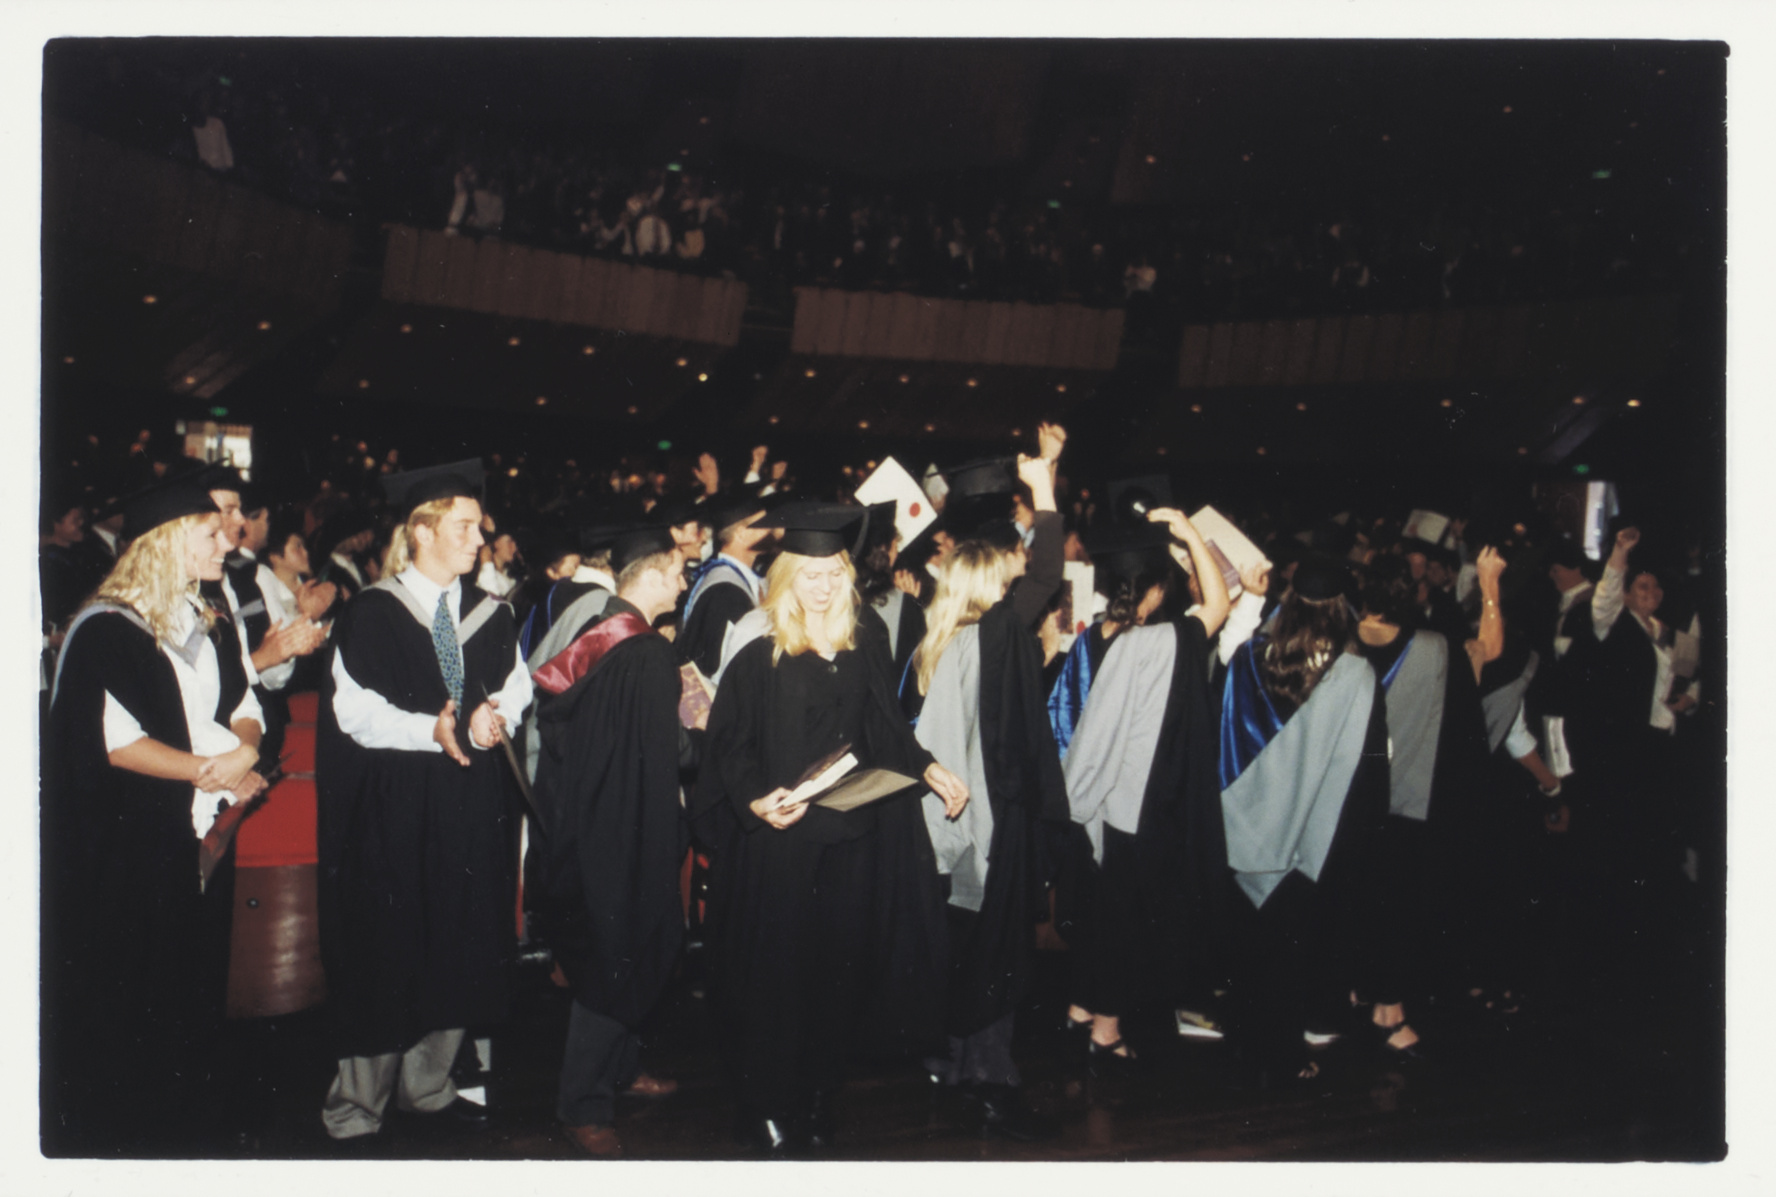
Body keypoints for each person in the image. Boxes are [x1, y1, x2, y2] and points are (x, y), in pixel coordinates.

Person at [695, 502, 969, 1155]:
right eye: (809, 573)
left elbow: (886, 726)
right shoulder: (759, 650)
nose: (821, 585)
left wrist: (929, 767)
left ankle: (817, 1094)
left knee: (835, 976)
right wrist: (756, 801)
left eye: (832, 572)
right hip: (781, 845)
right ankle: (764, 1101)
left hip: (849, 839)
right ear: (787, 575)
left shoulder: (863, 639)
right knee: (776, 978)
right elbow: (727, 747)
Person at [43, 481, 269, 1154]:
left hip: (200, 826)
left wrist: (248, 747)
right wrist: (211, 769)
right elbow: (111, 741)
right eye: (208, 532)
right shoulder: (106, 627)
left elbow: (244, 694)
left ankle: (185, 1124)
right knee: (132, 985)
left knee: (191, 981)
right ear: (165, 542)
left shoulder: (206, 616)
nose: (225, 540)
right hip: (132, 834)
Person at [315, 461, 533, 1143]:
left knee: (462, 937)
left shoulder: (490, 613)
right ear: (423, 530)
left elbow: (517, 684)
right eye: (465, 526)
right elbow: (353, 714)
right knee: (387, 944)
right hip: (395, 807)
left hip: (470, 804)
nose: (479, 539)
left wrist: (496, 711)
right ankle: (359, 1104)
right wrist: (429, 731)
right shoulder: (373, 613)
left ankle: (430, 1080)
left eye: (478, 526)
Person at [530, 526, 700, 1157]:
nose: (684, 585)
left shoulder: (595, 631)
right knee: (618, 959)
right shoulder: (649, 654)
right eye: (679, 573)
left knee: (624, 953)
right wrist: (701, 728)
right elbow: (672, 754)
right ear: (652, 576)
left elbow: (555, 720)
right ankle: (583, 1105)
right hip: (628, 831)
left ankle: (622, 1070)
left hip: (582, 821)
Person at [1057, 506, 1230, 1073]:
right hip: (1138, 805)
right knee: (1126, 922)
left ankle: (1081, 1006)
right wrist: (1189, 533)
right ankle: (1106, 1031)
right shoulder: (1164, 641)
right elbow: (1219, 606)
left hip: (1090, 798)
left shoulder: (1089, 639)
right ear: (1156, 591)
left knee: (1097, 908)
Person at [907, 535, 1067, 1139]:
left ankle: (948, 1063)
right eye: (1003, 583)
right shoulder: (983, 643)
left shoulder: (939, 645)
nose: (1011, 594)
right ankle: (991, 1081)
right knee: (996, 959)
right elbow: (964, 752)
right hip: (980, 829)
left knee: (964, 950)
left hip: (955, 830)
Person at [1216, 554, 1389, 1083]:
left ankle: (1244, 1043)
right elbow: (1366, 771)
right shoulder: (1356, 674)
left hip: (1245, 824)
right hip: (1309, 835)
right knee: (1292, 956)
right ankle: (1283, 1054)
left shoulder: (1251, 659)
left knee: (1248, 950)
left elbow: (1224, 719)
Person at [1345, 548, 1500, 1056]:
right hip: (1405, 800)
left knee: (1354, 899)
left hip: (1344, 798)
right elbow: (1489, 652)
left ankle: (1353, 989)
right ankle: (1388, 1013)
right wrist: (1489, 584)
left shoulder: (1341, 645)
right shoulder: (1434, 648)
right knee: (1396, 907)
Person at [677, 496, 771, 679]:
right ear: (741, 534)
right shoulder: (725, 592)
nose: (771, 530)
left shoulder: (736, 578)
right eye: (764, 524)